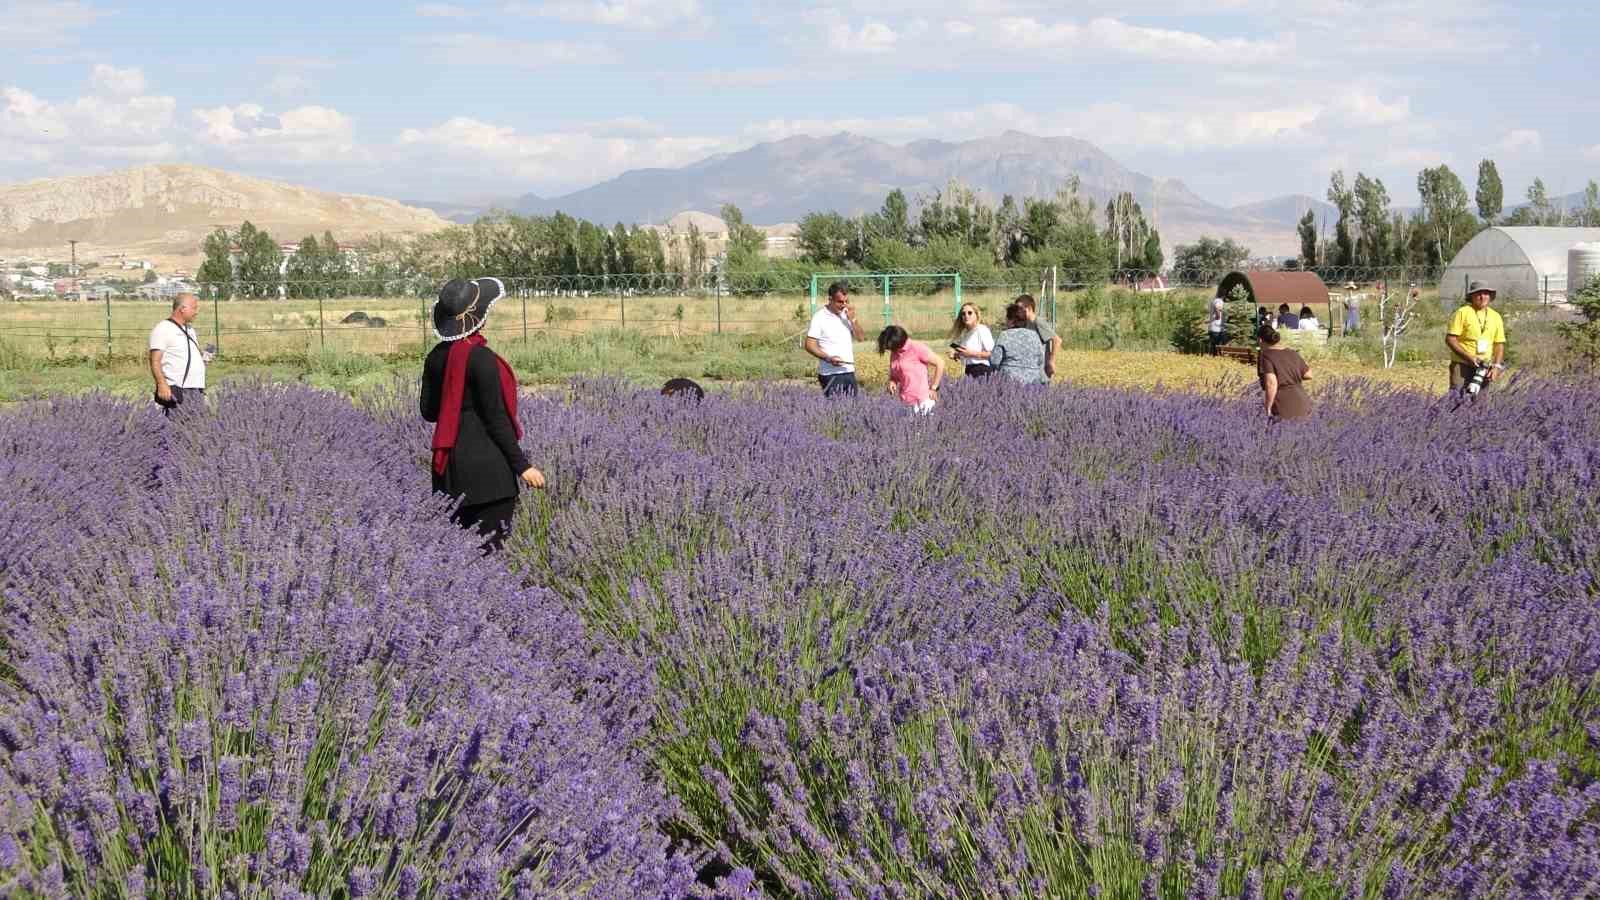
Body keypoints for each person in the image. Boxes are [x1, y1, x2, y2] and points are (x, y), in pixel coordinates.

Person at [421, 277, 545, 554]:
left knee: (454, 559)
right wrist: (523, 467)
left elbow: (428, 412)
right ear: (479, 319)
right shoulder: (482, 359)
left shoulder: (434, 358)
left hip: (449, 473)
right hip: (491, 477)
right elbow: (497, 420)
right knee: (490, 556)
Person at [148, 293, 211, 411]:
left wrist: (202, 360)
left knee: (196, 427)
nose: (196, 312)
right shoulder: (163, 328)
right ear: (182, 309)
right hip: (177, 390)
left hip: (197, 389)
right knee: (175, 426)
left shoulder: (190, 330)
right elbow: (154, 360)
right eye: (194, 308)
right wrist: (162, 384)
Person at [803, 281, 865, 396]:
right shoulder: (820, 317)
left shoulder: (846, 315)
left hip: (848, 371)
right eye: (840, 302)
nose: (844, 305)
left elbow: (861, 338)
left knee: (853, 410)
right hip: (830, 374)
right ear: (830, 299)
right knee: (835, 409)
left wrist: (854, 320)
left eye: (847, 301)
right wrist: (828, 358)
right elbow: (809, 345)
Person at [1445, 280, 1507, 395]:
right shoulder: (1462, 313)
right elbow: (1450, 339)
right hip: (1462, 365)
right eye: (1478, 293)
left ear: (1490, 296)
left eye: (1486, 293)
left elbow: (1499, 344)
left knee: (1480, 403)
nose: (1482, 297)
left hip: (1484, 367)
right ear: (1471, 296)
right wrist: (1469, 357)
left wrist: (1497, 366)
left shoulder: (1496, 316)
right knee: (1457, 399)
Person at [877, 325, 944, 413]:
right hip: (905, 402)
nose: (889, 350)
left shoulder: (916, 348)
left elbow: (940, 363)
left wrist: (934, 388)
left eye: (889, 347)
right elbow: (895, 374)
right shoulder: (895, 353)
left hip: (923, 402)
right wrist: (892, 381)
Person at [1256, 323, 1313, 420]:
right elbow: (1308, 374)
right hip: (1303, 403)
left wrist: (1268, 407)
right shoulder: (1292, 352)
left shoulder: (1265, 356)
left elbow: (1271, 384)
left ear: (1260, 340)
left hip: (1283, 404)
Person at [988, 301, 1048, 384]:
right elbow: (1040, 360)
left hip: (1009, 380)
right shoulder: (1034, 336)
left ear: (1011, 320)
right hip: (1033, 381)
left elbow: (994, 360)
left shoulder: (1005, 335)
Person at [1014, 294, 1060, 379]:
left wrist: (1051, 361)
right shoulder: (1027, 324)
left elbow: (1057, 340)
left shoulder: (1038, 322)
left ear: (1029, 308)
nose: (1017, 312)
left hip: (1041, 370)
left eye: (1020, 309)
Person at [948, 302, 994, 377]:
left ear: (976, 315)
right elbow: (967, 353)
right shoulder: (965, 333)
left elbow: (992, 354)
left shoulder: (982, 329)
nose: (966, 316)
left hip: (981, 370)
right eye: (963, 314)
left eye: (970, 313)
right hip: (969, 370)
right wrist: (957, 354)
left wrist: (971, 353)